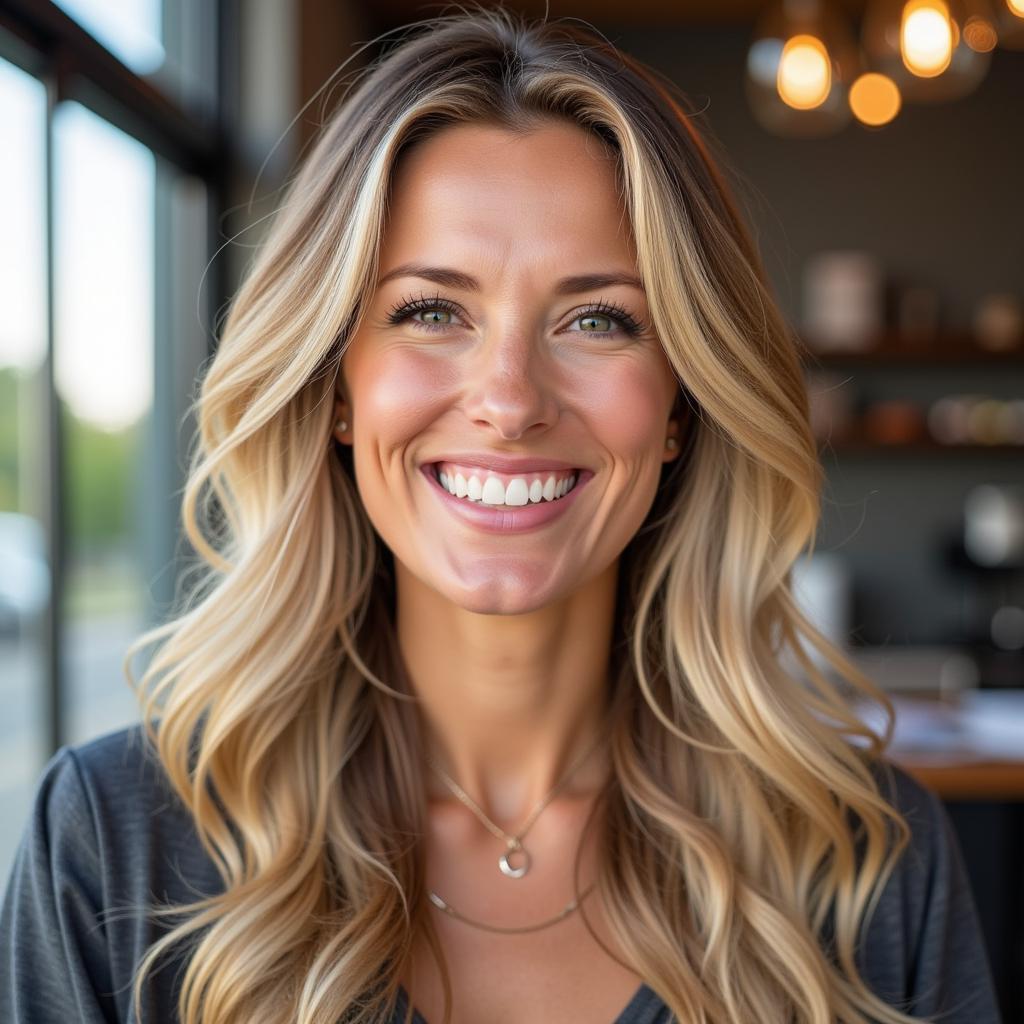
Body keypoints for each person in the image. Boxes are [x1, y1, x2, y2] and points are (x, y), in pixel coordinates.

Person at [0, 7, 1003, 1024]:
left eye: (598, 319)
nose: (511, 398)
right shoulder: (115, 842)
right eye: (431, 310)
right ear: (337, 385)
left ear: (679, 404)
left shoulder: (868, 863)